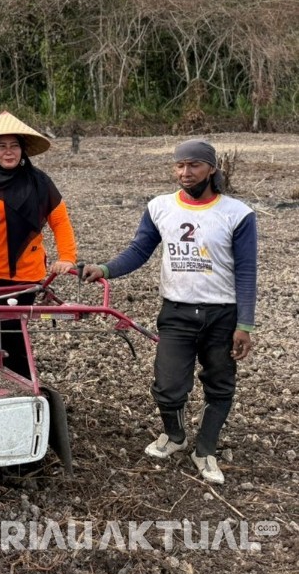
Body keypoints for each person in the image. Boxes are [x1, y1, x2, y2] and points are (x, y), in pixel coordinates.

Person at [82, 139, 257, 485]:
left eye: (193, 165)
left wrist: (245, 324)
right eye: (179, 166)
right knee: (167, 386)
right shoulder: (160, 207)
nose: (184, 172)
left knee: (220, 385)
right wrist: (105, 269)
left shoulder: (238, 214)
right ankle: (175, 436)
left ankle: (205, 449)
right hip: (176, 311)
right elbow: (139, 250)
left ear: (212, 168)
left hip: (222, 314)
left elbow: (247, 271)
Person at [0, 111, 77, 377]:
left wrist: (67, 256)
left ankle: (21, 383)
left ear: (23, 150)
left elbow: (60, 222)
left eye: (14, 146)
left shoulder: (41, 183)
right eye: (1, 146)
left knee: (13, 335)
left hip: (24, 276)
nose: (8, 152)